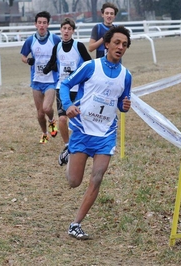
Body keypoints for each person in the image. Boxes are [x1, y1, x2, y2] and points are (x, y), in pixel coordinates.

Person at [60, 25, 132, 240]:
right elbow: (65, 84)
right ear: (107, 44)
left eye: (125, 45)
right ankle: (68, 152)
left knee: (97, 177)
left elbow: (121, 103)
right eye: (117, 43)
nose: (120, 47)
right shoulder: (91, 66)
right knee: (74, 182)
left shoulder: (126, 76)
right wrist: (68, 105)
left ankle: (76, 224)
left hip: (106, 134)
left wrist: (124, 106)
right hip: (83, 129)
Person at [42, 18, 92, 165]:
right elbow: (52, 62)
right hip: (62, 87)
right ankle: (67, 146)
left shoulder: (79, 46)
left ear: (73, 31)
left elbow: (89, 63)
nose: (66, 31)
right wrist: (47, 68)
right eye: (64, 28)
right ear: (60, 30)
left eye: (69, 29)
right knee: (63, 119)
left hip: (78, 89)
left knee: (80, 118)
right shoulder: (56, 47)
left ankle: (83, 145)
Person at [20, 11, 61, 144]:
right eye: (39, 23)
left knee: (47, 108)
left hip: (51, 80)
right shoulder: (30, 40)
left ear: (48, 24)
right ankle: (44, 133)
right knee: (39, 113)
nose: (42, 25)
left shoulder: (54, 39)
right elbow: (23, 56)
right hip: (36, 81)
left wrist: (55, 65)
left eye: (44, 23)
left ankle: (52, 121)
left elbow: (61, 54)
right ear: (35, 24)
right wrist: (28, 61)